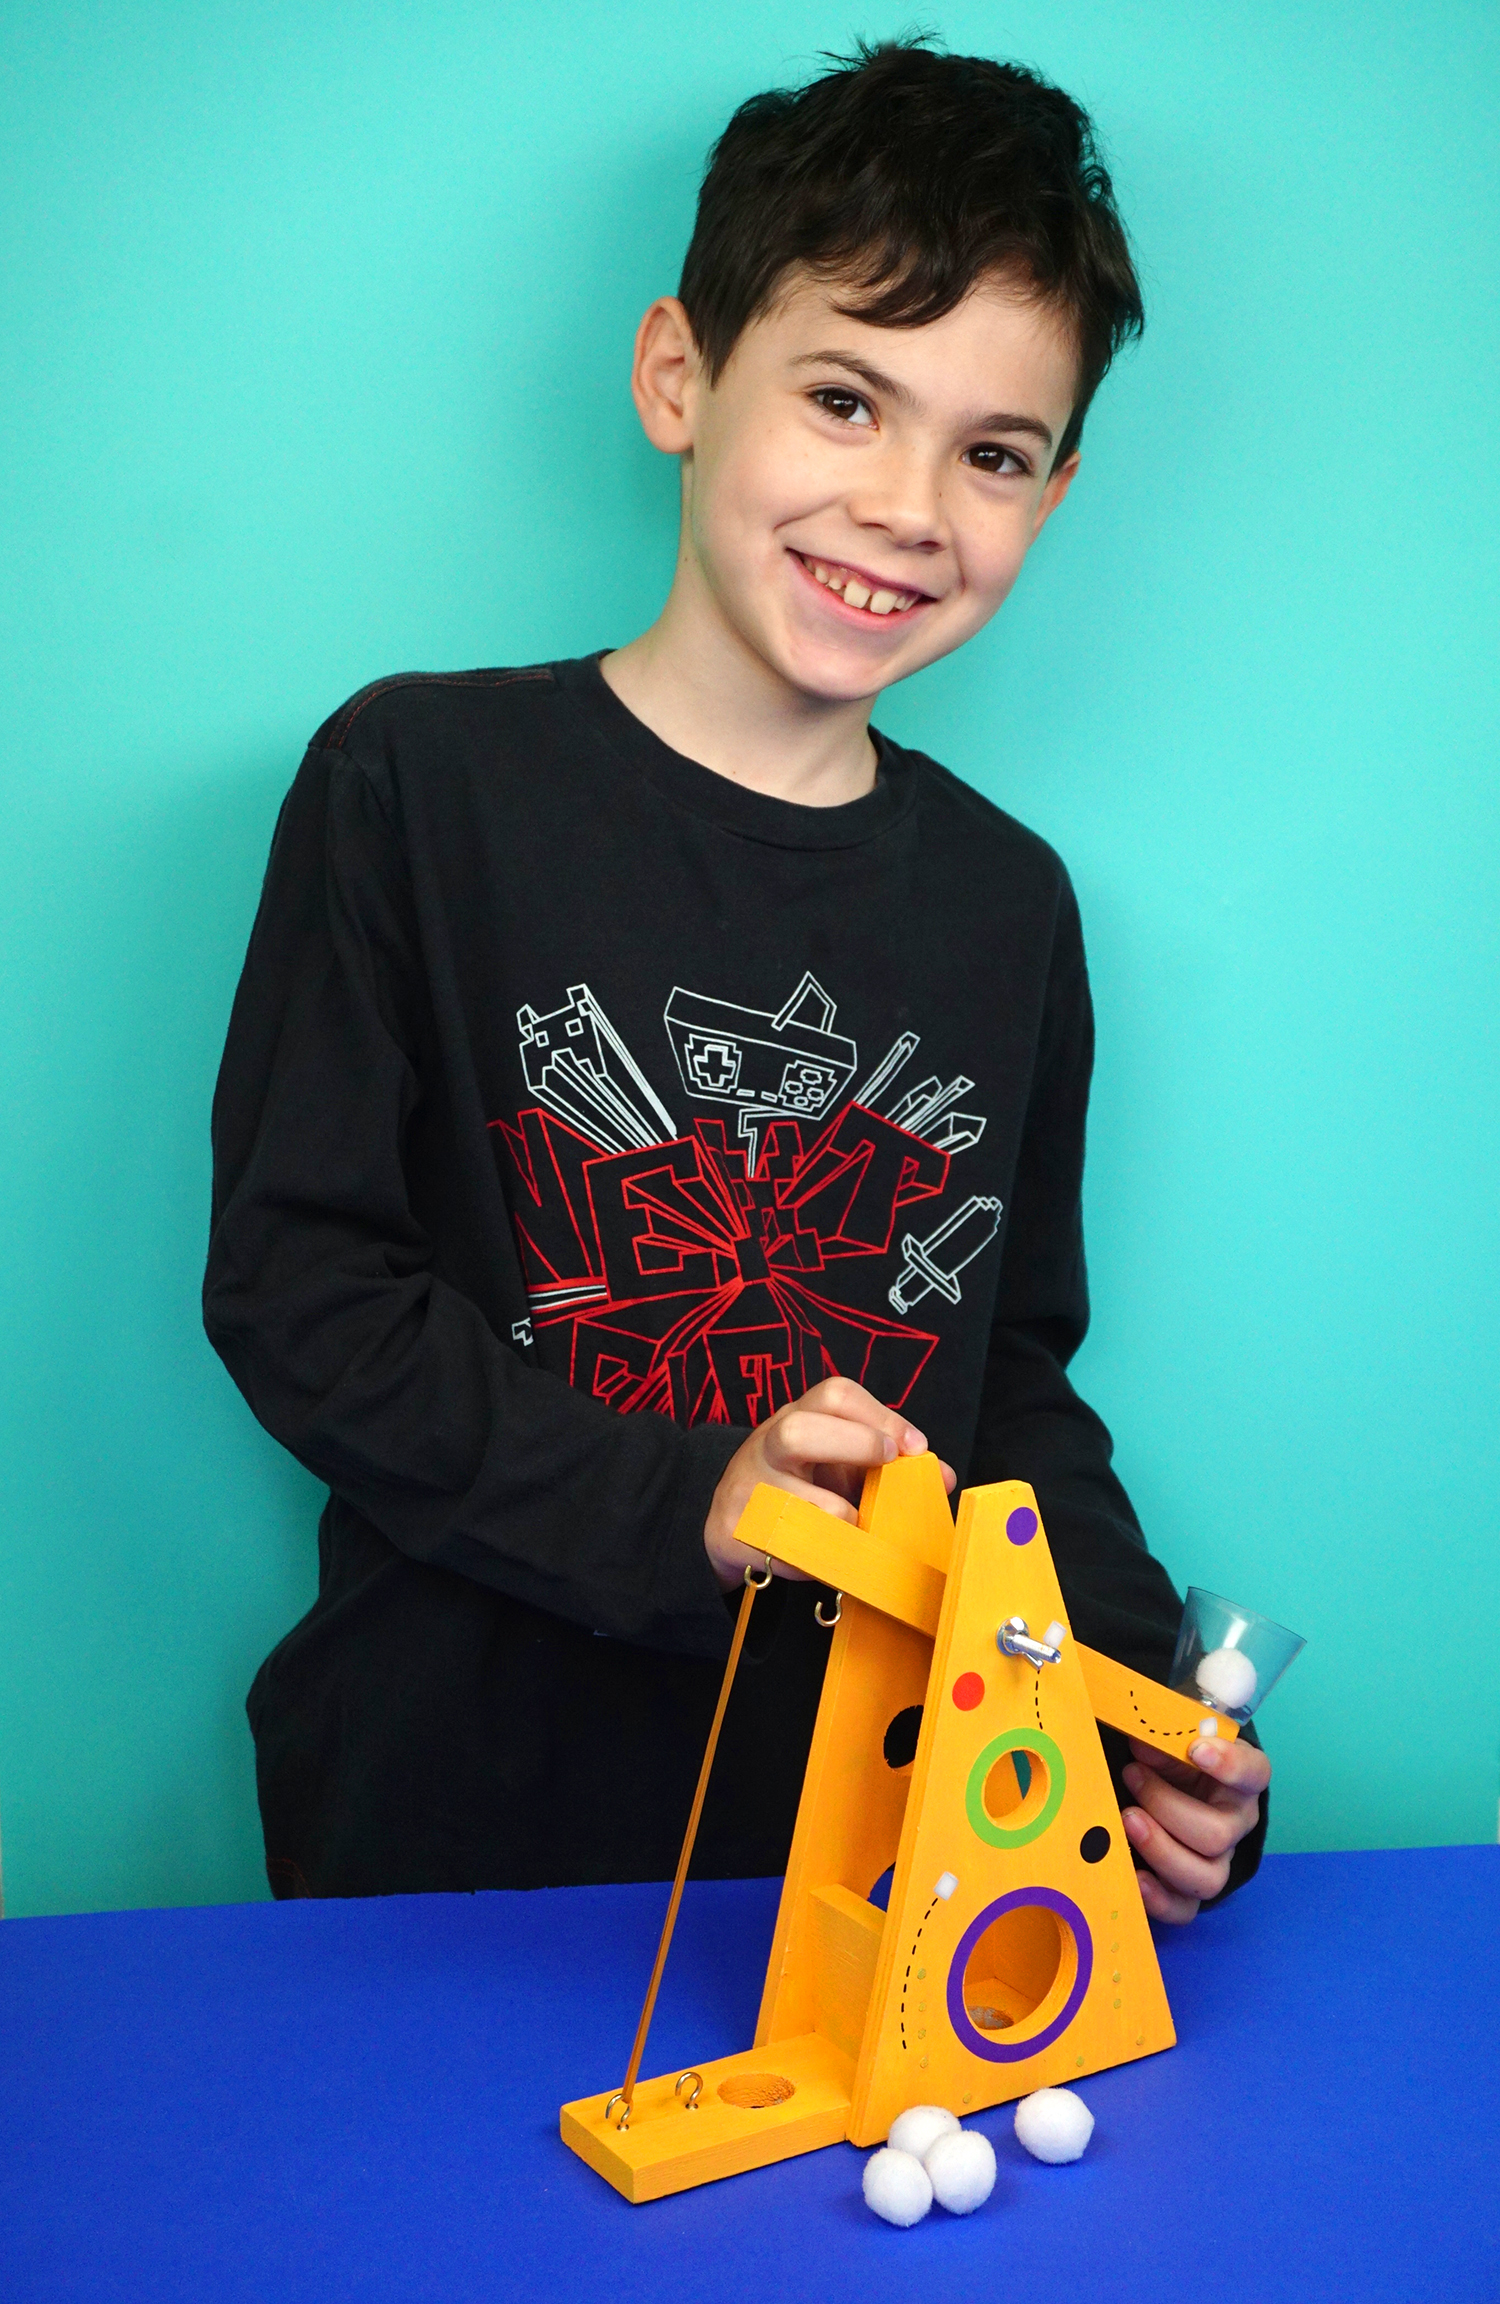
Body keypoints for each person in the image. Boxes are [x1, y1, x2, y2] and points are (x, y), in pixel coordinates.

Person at [204, 37, 1270, 1919]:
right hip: (449, 1829)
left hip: (873, 1866)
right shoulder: (412, 785)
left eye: (993, 453)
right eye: (848, 398)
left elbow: (1004, 1384)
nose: (910, 505)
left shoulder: (1012, 910)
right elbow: (301, 1293)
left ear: (1056, 491)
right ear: (678, 376)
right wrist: (685, 1503)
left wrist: (1122, 1721)